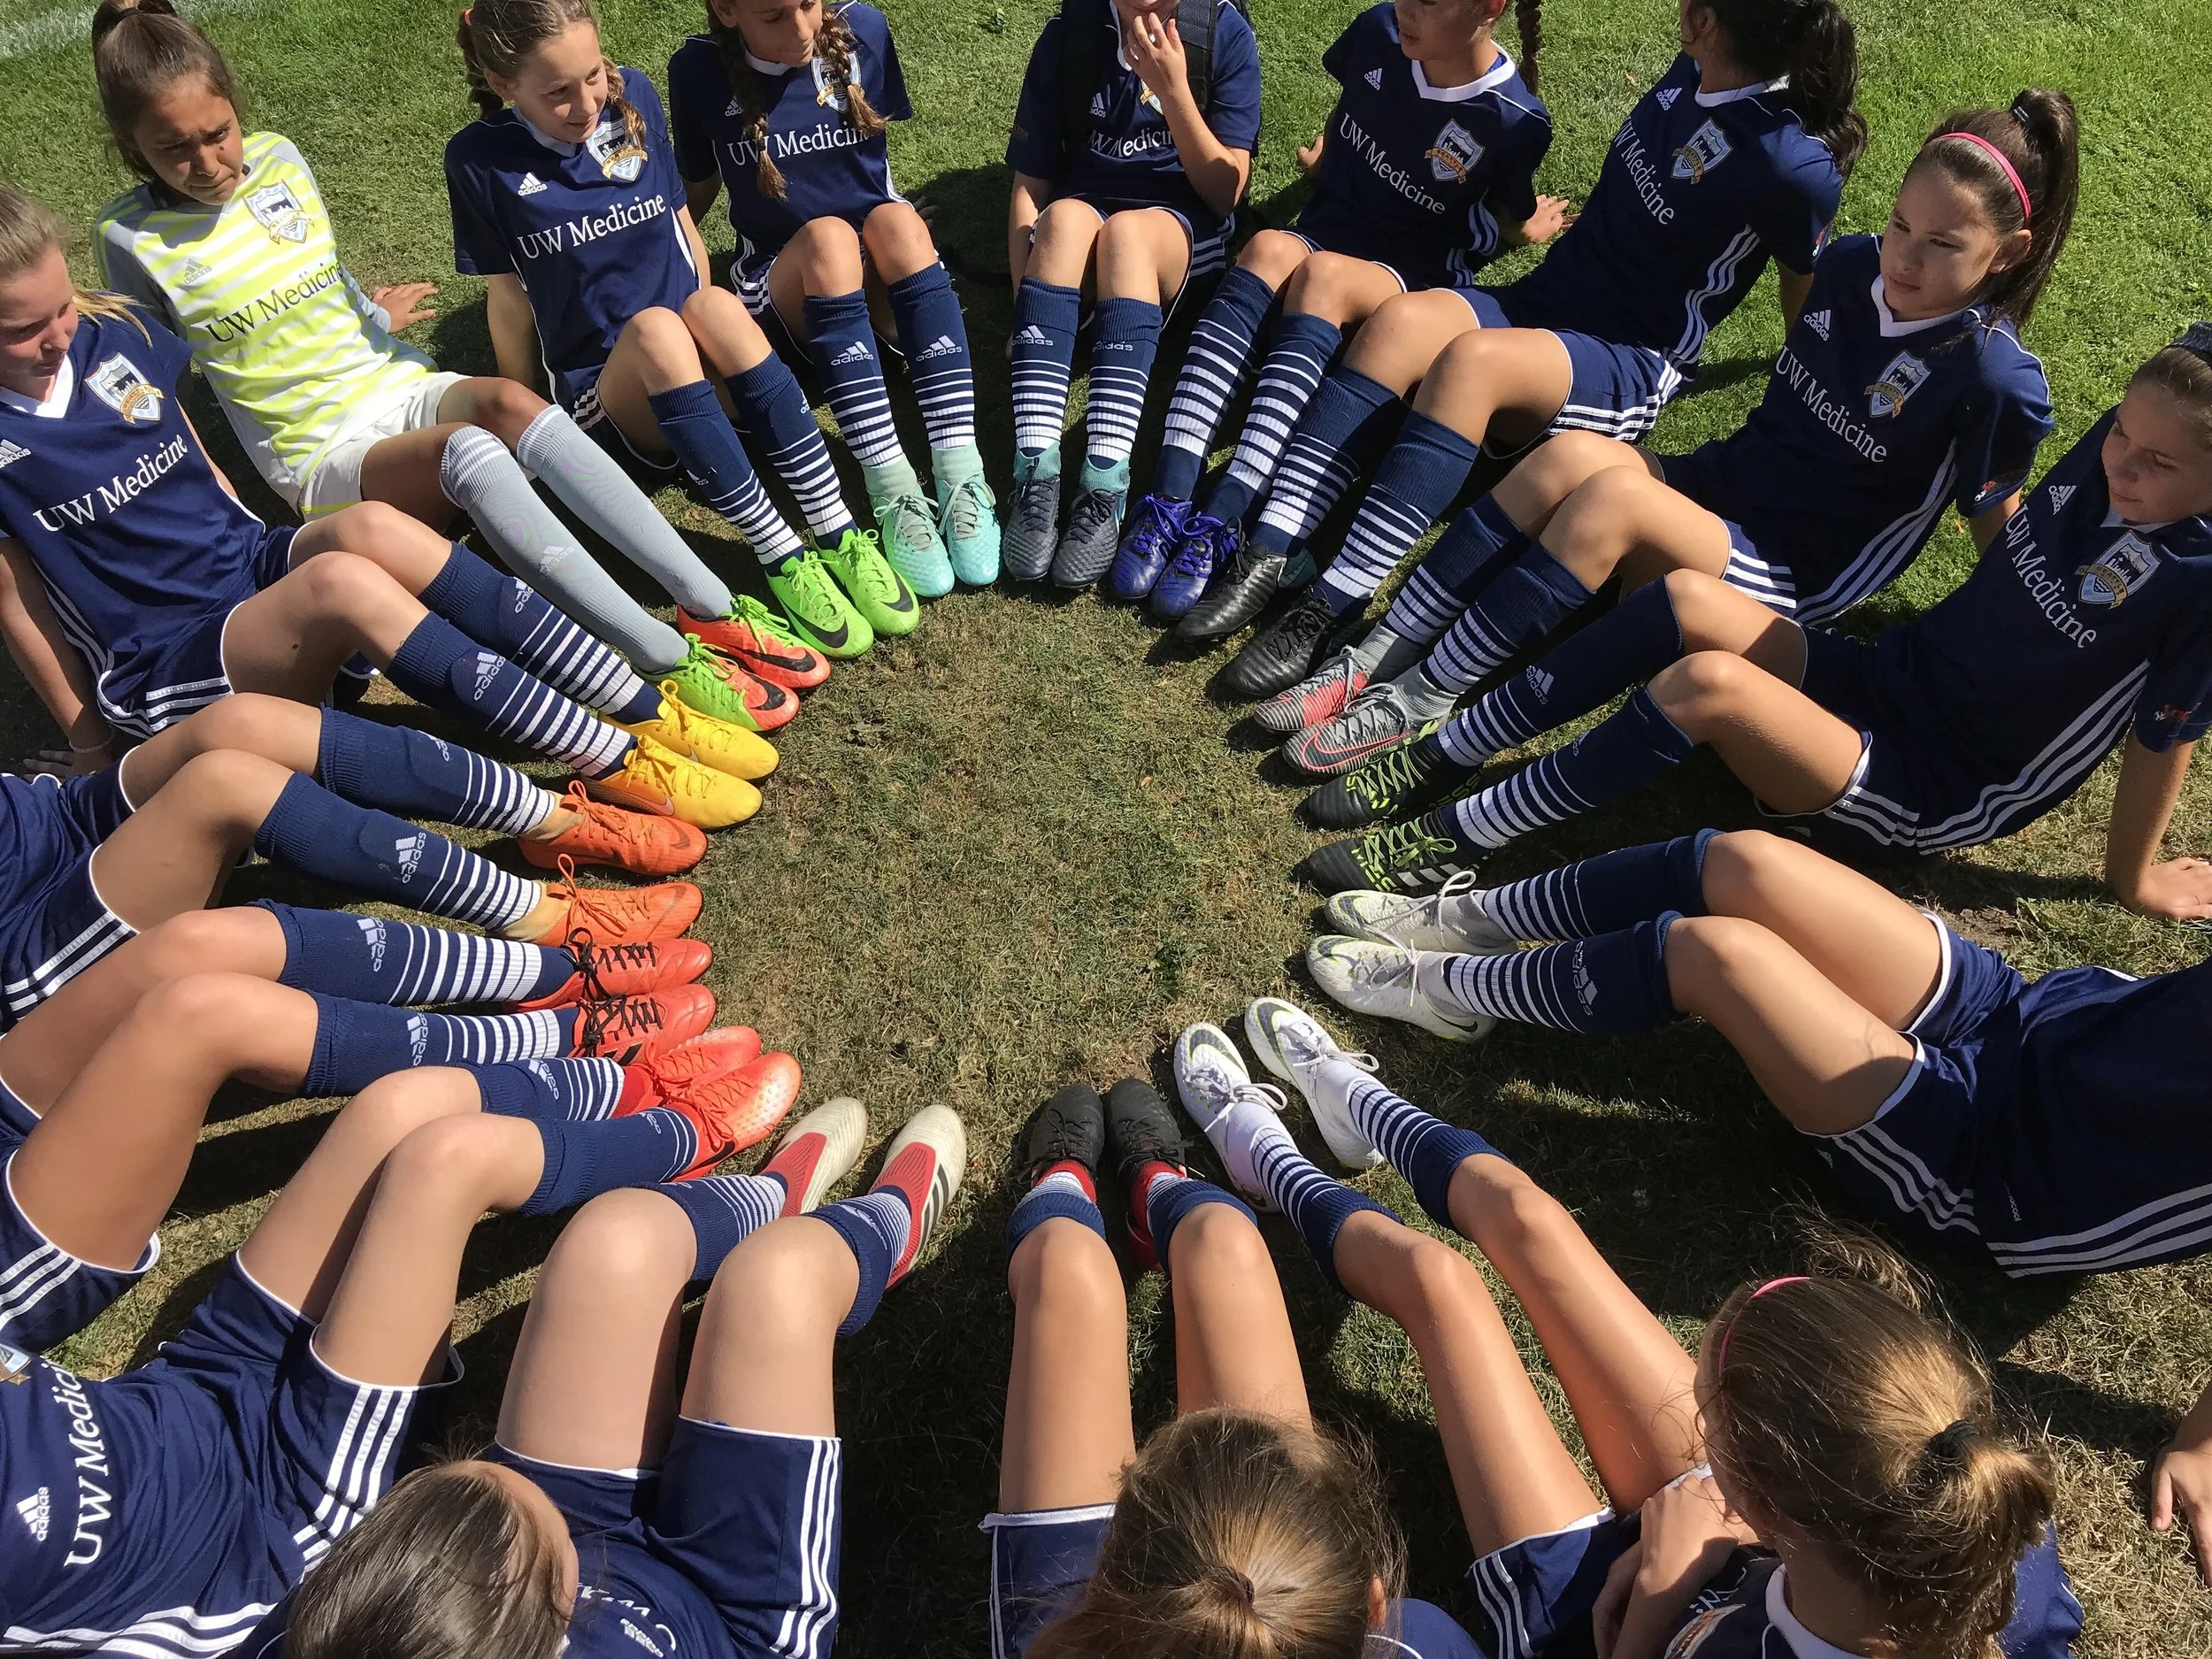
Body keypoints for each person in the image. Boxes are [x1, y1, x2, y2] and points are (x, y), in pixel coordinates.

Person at [987, 1010, 2082, 1657]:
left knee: (1444, 1290)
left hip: (1610, 1629)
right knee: (1517, 1232)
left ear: (1759, 1495)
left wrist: (1653, 1615)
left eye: (1705, 1408)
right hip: (1753, 1574)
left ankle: (1240, 1165)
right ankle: (1327, 1122)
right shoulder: (1986, 1538)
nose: (1685, 1406)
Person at [1269, 92, 2076, 776]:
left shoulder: (1995, 378)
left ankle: (1422, 700)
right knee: (1565, 458)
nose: (1905, 257)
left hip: (1790, 572)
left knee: (1613, 499)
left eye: (1943, 245)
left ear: (2008, 253)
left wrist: (1994, 674)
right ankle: (1372, 655)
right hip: (1713, 490)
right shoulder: (1849, 267)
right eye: (1902, 224)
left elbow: (1999, 537)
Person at [1301, 329, 2212, 920]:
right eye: (2119, 437)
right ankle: (1441, 751)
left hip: (1937, 776)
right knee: (1688, 602)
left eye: (2155, 462)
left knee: (1707, 686)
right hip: (1887, 676)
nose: (2120, 466)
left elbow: (2159, 740)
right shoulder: (2132, 438)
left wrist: (2130, 879)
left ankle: (1459, 831)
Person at [0, 1004, 802, 1656]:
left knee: (402, 1108)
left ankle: (624, 1085)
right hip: (281, 1523)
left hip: (196, 1382)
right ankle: (703, 1143)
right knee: (443, 1164)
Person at [85, 1, 798, 729]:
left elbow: (311, 268)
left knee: (511, 405)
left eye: (218, 133)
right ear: (133, 148)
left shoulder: (278, 157)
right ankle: (658, 652)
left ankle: (713, 606)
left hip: (396, 382)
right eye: (176, 150)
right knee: (471, 452)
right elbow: (157, 388)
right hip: (323, 451)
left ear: (236, 108)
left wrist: (366, 313)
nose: (208, 162)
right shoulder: (130, 238)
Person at [0, 186, 769, 830]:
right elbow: (20, 603)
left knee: (370, 529)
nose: (59, 335)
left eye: (62, 307)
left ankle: (636, 702)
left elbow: (194, 458)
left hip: (247, 569)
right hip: (167, 655)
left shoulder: (114, 329)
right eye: (24, 330)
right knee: (342, 580)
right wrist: (94, 745)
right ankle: (611, 758)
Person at [1217, 0, 1867, 699]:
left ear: (1706, 21)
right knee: (1402, 322)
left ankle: (1332, 604)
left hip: (1629, 357)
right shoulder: (1693, 64)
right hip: (1542, 301)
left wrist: (1806, 373)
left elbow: (1804, 280)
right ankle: (1269, 549)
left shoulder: (1792, 165)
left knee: (1471, 363)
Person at [243, 1098, 967, 1659]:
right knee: (780, 1282)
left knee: (614, 1241)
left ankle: (774, 1193)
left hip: (521, 1575)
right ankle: (891, 1222)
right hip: (726, 1623)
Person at [0, 929, 790, 1348]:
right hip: (198, 1474)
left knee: (195, 996)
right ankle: (679, 1133)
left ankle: (583, 1045)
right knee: (440, 1148)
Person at [1110, 0, 1560, 626]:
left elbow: (1504, 214)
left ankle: (1231, 512)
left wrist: (1526, 230)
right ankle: (1171, 491)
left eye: (1430, 1)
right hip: (1325, 231)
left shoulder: (1514, 118)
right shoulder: (1381, 28)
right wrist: (1327, 164)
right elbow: (1355, 108)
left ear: (1491, 9)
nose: (1408, 7)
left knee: (1322, 279)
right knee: (1267, 246)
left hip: (1406, 280)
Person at [447, 1, 851, 675]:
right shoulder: (478, 160)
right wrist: (521, 418)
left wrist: (714, 324)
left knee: (714, 306)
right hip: (607, 396)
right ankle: (782, 552)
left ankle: (837, 528)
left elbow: (682, 225)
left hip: (690, 361)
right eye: (558, 92)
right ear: (500, 82)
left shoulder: (633, 96)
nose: (586, 103)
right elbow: (509, 294)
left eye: (591, 77)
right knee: (662, 331)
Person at [0, 692, 718, 1039]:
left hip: (44, 817)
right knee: (225, 786)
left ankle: (552, 819)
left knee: (240, 723)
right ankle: (538, 938)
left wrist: (89, 758)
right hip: (23, 931)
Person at [671, 0, 994, 603]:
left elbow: (879, 166)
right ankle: (892, 489)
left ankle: (960, 472)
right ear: (726, 10)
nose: (801, 30)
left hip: (879, 275)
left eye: (808, 5)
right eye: (774, 17)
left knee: (895, 224)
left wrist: (896, 226)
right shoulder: (697, 68)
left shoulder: (863, 28)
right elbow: (693, 186)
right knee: (830, 239)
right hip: (787, 284)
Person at [999, 0, 1263, 588]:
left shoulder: (1220, 34)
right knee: (1065, 218)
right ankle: (1035, 473)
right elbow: (1029, 189)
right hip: (1086, 225)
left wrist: (1173, 92)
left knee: (1127, 234)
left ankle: (1104, 483)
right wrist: (1026, 311)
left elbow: (1226, 194)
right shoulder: (1071, 34)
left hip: (1178, 232)